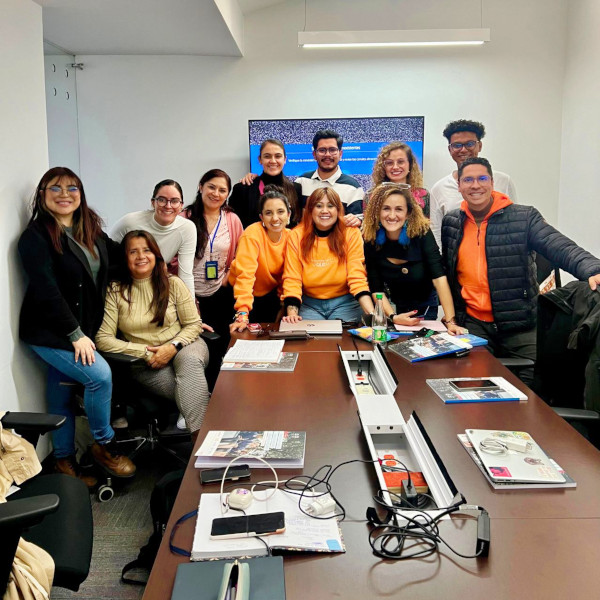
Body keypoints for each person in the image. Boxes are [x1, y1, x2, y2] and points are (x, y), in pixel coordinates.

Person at [18, 167, 135, 486]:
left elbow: (119, 260)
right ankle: (104, 444)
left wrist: (147, 254)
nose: (65, 194)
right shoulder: (35, 237)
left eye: (72, 188)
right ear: (42, 195)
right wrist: (75, 335)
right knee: (99, 376)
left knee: (62, 393)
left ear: (81, 195)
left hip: (80, 331)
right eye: (55, 188)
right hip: (50, 332)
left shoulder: (90, 230)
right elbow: (46, 288)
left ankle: (63, 462)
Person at [441, 157, 600, 385]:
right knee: (472, 388)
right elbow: (446, 270)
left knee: (532, 392)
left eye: (482, 178)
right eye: (468, 179)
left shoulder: (524, 217)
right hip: (473, 323)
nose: (475, 185)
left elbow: (559, 246)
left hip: (520, 322)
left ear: (492, 182)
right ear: (459, 186)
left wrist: (592, 268)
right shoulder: (452, 222)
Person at [95, 231, 209, 436]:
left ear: (156, 255)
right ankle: (206, 446)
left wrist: (172, 347)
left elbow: (193, 324)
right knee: (188, 388)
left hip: (185, 344)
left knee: (190, 365)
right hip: (147, 363)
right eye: (133, 252)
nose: (141, 256)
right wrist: (146, 352)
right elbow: (103, 339)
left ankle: (199, 442)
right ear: (125, 258)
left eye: (147, 250)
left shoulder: (172, 283)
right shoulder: (115, 290)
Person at [363, 184, 463, 333]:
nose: (391, 215)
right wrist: (393, 316)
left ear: (408, 213)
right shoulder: (371, 238)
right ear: (377, 212)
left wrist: (451, 321)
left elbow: (439, 278)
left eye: (398, 209)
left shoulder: (422, 232)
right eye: (386, 208)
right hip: (394, 305)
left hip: (425, 304)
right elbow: (376, 287)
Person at [184, 169, 243, 388]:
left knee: (221, 346)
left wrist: (229, 276)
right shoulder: (185, 217)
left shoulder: (232, 219)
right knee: (196, 347)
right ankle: (196, 395)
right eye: (211, 187)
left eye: (222, 190)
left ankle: (221, 395)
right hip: (188, 294)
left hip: (221, 291)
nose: (216, 193)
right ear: (201, 187)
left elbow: (240, 254)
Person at [282, 187, 374, 323]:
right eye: (318, 206)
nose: (325, 211)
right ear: (310, 210)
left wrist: (373, 315)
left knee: (351, 341)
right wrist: (292, 314)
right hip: (309, 305)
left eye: (330, 206)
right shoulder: (296, 235)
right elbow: (292, 278)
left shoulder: (351, 233)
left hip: (345, 303)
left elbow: (357, 276)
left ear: (338, 210)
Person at [430, 119, 517, 248]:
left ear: (479, 146)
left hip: (499, 258)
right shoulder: (439, 188)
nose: (463, 150)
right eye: (457, 145)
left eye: (470, 144)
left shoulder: (503, 181)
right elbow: (436, 233)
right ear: (450, 149)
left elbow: (514, 222)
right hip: (458, 261)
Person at [110, 179, 197, 296]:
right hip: (125, 284)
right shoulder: (130, 222)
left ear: (181, 205)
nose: (168, 206)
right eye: (161, 200)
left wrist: (190, 307)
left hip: (157, 286)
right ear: (153, 202)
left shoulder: (187, 228)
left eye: (175, 201)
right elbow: (106, 254)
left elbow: (186, 274)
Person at [229, 187, 292, 332]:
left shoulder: (291, 237)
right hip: (240, 294)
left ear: (289, 214)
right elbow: (245, 276)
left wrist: (283, 305)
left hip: (269, 295)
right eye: (268, 213)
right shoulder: (252, 234)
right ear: (261, 217)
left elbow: (288, 276)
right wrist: (242, 314)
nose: (275, 218)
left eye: (280, 212)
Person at [294, 129, 364, 227]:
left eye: (332, 150)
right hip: (304, 241)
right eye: (322, 150)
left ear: (340, 154)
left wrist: (358, 220)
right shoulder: (301, 182)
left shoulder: (353, 188)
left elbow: (357, 223)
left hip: (338, 242)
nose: (327, 155)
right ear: (314, 154)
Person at [229, 138, 300, 228]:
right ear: (260, 159)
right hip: (252, 241)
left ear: (285, 159)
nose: (273, 161)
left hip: (287, 242)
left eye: (278, 156)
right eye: (267, 156)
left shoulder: (296, 189)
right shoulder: (243, 189)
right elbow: (234, 226)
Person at [369, 142, 430, 217]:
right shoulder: (371, 196)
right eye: (389, 163)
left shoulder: (424, 195)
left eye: (400, 162)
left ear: (410, 165)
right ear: (383, 167)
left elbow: (427, 226)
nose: (395, 167)